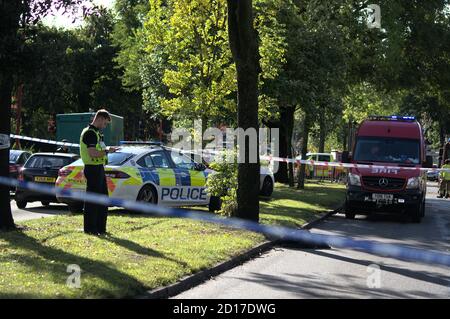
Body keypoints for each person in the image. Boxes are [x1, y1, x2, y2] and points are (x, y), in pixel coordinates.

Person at [79, 109, 118, 235]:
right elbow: (92, 153)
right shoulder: (90, 133)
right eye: (105, 123)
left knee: (103, 199)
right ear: (100, 118)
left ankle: (101, 228)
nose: (105, 126)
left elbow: (98, 150)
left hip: (98, 168)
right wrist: (107, 151)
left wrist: (106, 149)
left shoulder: (97, 133)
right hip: (92, 168)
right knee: (93, 200)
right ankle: (90, 229)